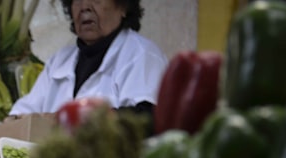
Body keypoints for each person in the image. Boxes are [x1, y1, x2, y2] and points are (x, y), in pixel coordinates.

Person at [9, 0, 167, 116]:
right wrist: (14, 119)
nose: (84, 6)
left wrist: (83, 119)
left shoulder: (142, 54)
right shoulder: (59, 60)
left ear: (123, 7)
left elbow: (148, 118)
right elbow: (24, 111)